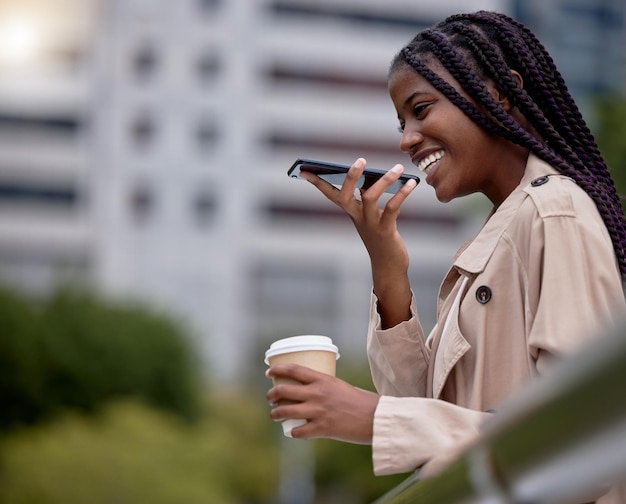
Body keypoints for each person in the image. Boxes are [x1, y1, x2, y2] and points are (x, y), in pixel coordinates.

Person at [266, 10, 626, 502]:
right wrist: (387, 265)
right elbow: (426, 412)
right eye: (402, 120)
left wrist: (375, 418)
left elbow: (584, 435)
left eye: (421, 109)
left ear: (501, 92)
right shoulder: (503, 231)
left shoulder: (552, 213)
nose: (406, 138)